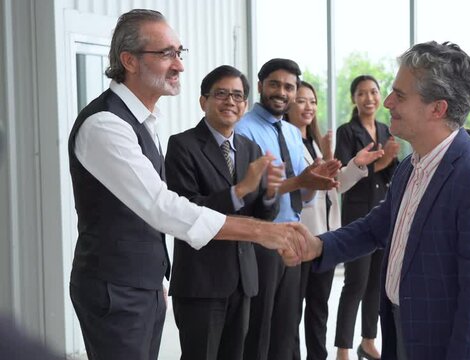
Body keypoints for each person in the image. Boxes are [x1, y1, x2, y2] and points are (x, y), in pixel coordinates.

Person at [68, 10, 305, 360]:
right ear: (129, 60)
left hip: (141, 284)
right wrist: (258, 232)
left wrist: (152, 279)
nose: (178, 65)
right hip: (118, 289)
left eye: (180, 53)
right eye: (165, 54)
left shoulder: (142, 121)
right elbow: (163, 207)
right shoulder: (107, 124)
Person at [286, 41, 470, 360]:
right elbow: (375, 228)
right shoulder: (411, 165)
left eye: (400, 95)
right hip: (404, 330)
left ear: (437, 108)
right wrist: (318, 246)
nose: (387, 102)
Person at [164, 65, 283, 359]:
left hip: (243, 280)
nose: (230, 101)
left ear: (244, 106)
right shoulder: (182, 146)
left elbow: (261, 218)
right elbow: (186, 212)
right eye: (221, 94)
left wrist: (269, 193)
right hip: (201, 282)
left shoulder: (250, 149)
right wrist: (240, 190)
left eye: (237, 96)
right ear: (203, 101)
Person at [236, 58, 341, 360]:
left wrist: (316, 182)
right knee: (259, 330)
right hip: (260, 240)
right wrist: (300, 182)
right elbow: (250, 192)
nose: (282, 92)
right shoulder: (244, 130)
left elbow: (303, 195)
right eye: (275, 84)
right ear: (260, 86)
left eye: (289, 87)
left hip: (291, 238)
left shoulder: (293, 133)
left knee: (285, 328)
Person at [285, 81, 384, 360]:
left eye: (313, 101)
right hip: (299, 236)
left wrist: (357, 164)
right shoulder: (285, 140)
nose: (308, 107)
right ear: (290, 103)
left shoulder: (316, 143)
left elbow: (333, 185)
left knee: (318, 309)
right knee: (292, 311)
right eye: (302, 100)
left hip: (325, 238)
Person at [333, 75, 399, 360]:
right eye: (362, 93)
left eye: (373, 92)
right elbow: (348, 175)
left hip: (383, 210)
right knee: (355, 282)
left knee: (377, 282)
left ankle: (369, 340)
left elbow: (392, 175)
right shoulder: (347, 132)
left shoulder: (386, 130)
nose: (369, 98)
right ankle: (343, 348)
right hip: (358, 213)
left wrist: (390, 161)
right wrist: (384, 160)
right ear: (354, 99)